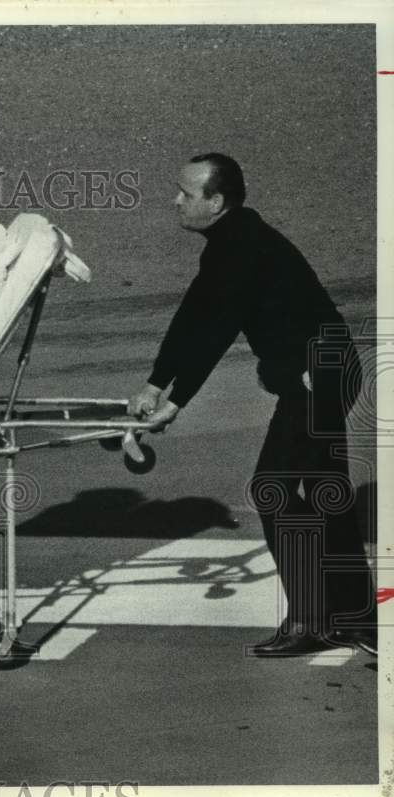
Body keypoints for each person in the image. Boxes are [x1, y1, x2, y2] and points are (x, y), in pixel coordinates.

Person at [128, 153, 376, 657]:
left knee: (274, 492)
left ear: (215, 202)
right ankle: (354, 616)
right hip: (317, 372)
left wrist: (177, 402)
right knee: (317, 496)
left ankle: (312, 620)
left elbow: (216, 330)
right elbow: (194, 313)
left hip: (319, 376)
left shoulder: (239, 246)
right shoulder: (229, 240)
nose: (175, 200)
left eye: (186, 193)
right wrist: (156, 383)